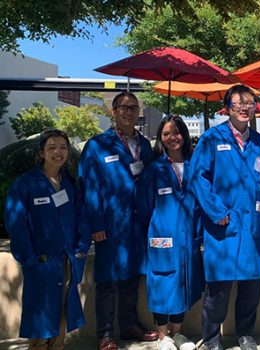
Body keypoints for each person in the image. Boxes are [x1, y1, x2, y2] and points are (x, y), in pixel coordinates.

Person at [189, 84, 260, 350]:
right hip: (223, 224)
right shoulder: (212, 138)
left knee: (251, 286)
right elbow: (197, 178)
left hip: (252, 225)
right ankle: (212, 338)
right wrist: (216, 211)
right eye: (239, 104)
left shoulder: (259, 142)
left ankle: (245, 333)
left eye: (250, 104)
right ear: (227, 108)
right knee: (218, 289)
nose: (245, 108)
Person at [78, 92, 157, 350]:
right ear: (114, 111)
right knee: (108, 280)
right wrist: (96, 224)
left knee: (132, 276)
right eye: (124, 107)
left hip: (137, 223)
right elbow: (89, 187)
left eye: (133, 108)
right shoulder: (98, 145)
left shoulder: (144, 145)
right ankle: (106, 333)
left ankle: (129, 324)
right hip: (110, 224)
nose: (129, 112)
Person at [5, 129, 91, 350]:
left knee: (63, 309)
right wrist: (29, 258)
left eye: (63, 147)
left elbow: (81, 216)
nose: (58, 152)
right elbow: (16, 224)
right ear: (42, 152)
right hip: (41, 261)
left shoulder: (69, 183)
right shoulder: (26, 184)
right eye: (52, 147)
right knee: (40, 315)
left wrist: (81, 248)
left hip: (68, 258)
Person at [136, 116, 203, 350]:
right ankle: (163, 336)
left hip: (188, 238)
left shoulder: (196, 166)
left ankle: (177, 334)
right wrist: (155, 230)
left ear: (184, 135)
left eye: (176, 132)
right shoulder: (155, 169)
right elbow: (144, 207)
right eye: (166, 134)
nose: (172, 137)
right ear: (160, 138)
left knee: (184, 282)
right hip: (162, 237)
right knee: (163, 284)